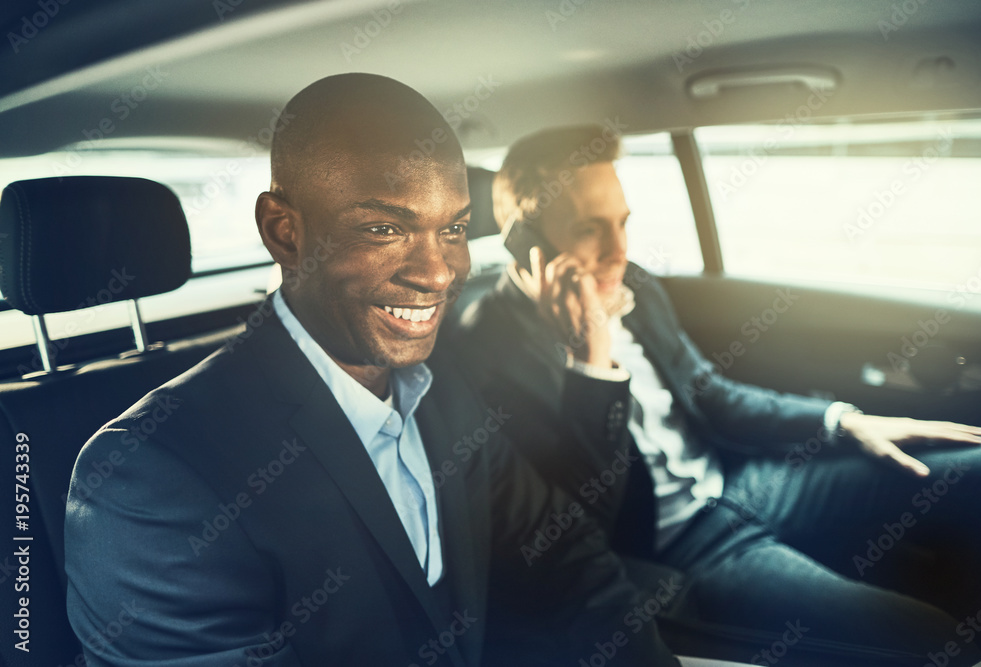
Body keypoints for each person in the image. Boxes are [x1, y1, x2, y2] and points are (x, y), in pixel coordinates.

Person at [63, 77, 681, 666]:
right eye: (386, 228)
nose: (437, 274)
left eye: (455, 229)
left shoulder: (442, 392)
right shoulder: (149, 480)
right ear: (286, 232)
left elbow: (564, 557)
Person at [453, 124, 981, 665]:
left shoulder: (633, 284)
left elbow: (709, 392)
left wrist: (842, 422)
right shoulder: (484, 349)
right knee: (932, 641)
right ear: (525, 241)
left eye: (623, 222)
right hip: (683, 545)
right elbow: (581, 521)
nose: (621, 250)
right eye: (592, 230)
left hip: (745, 482)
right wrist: (591, 363)